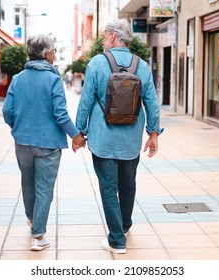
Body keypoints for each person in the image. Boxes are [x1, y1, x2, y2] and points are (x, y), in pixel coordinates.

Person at [75, 19, 163, 254]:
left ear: (113, 36)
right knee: (127, 183)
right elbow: (152, 103)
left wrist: (79, 132)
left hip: (103, 137)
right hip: (131, 138)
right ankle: (124, 225)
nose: (103, 41)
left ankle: (117, 240)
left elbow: (86, 102)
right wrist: (153, 134)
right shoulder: (142, 66)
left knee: (108, 186)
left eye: (104, 36)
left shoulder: (96, 64)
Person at [2, 34, 85, 251]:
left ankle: (32, 220)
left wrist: (18, 129)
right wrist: (76, 135)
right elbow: (60, 113)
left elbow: (7, 111)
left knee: (27, 182)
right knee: (44, 188)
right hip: (48, 145)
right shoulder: (53, 79)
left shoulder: (18, 78)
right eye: (54, 50)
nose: (55, 54)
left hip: (23, 142)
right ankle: (38, 236)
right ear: (47, 53)